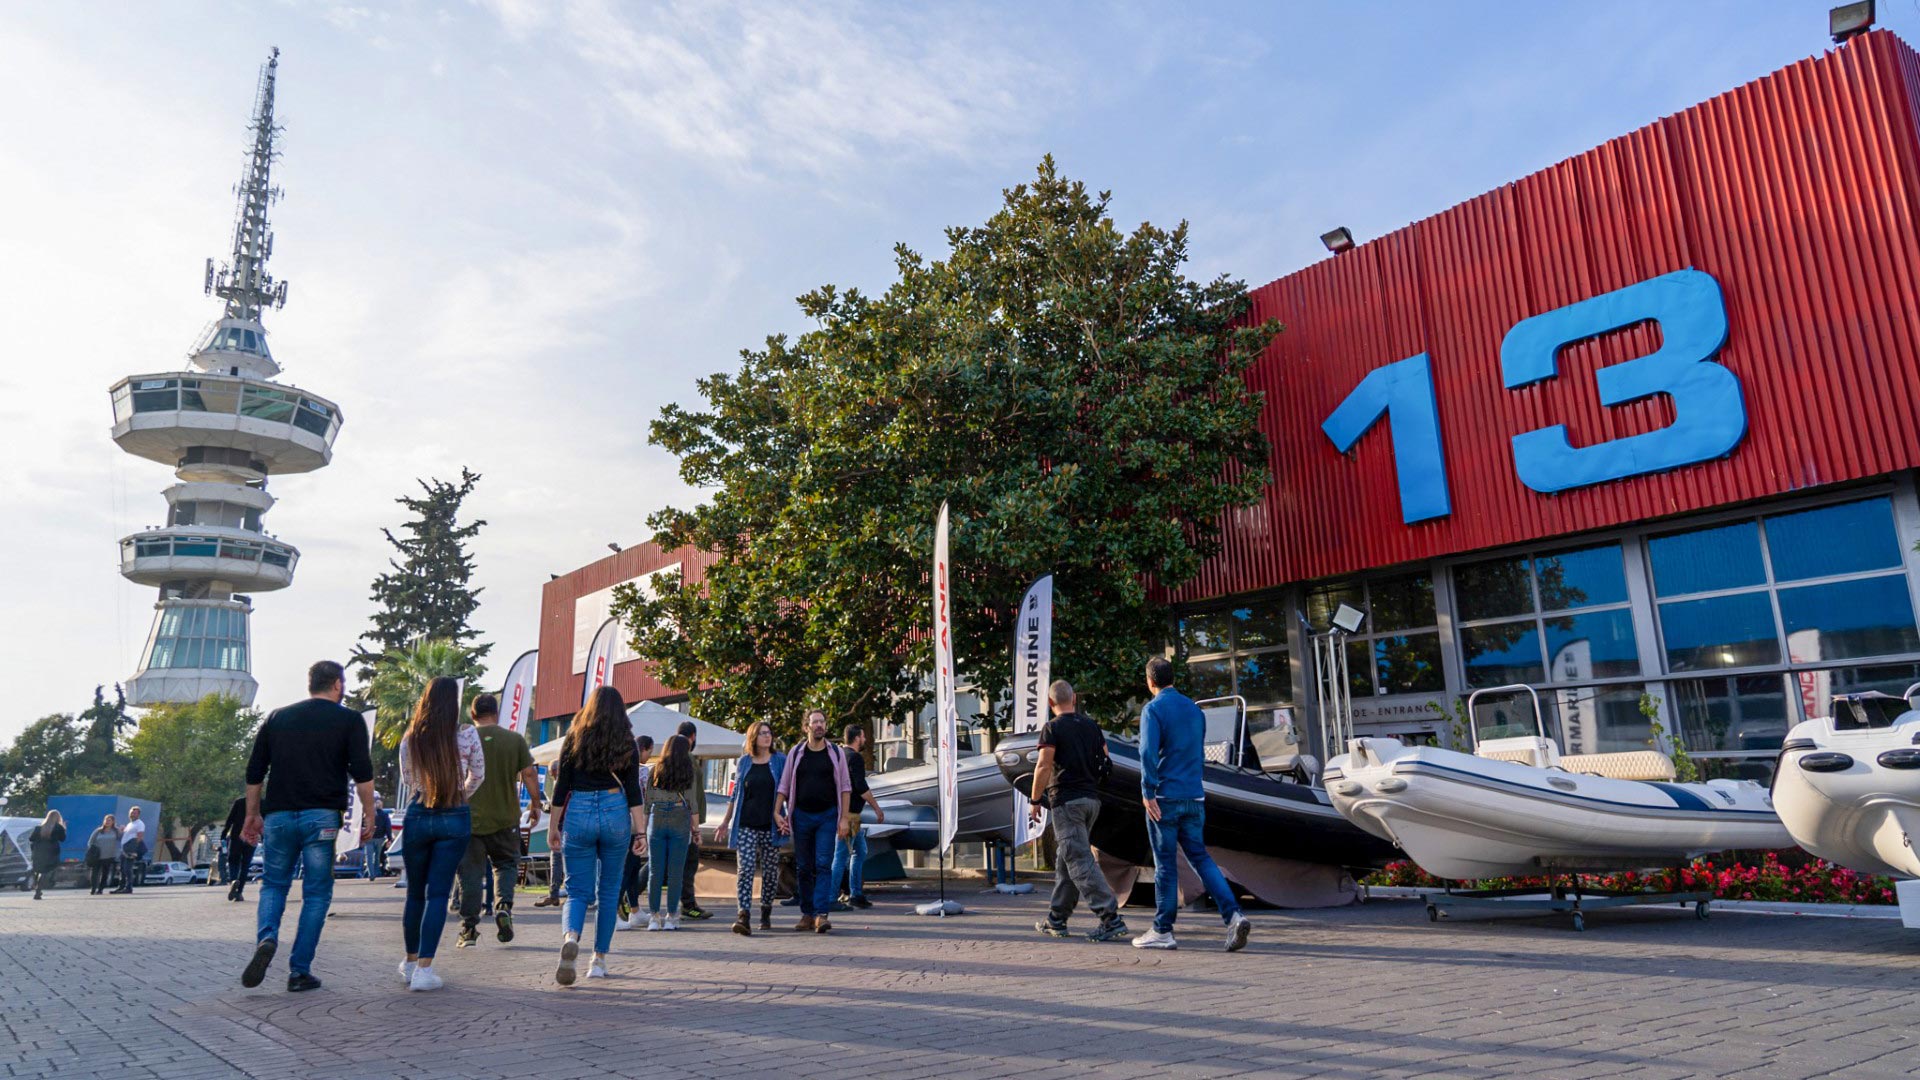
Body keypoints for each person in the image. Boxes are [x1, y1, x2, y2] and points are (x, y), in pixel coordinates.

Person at [239, 659, 377, 993]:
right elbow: (363, 774)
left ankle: (267, 937)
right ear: (338, 685)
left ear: (310, 684)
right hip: (322, 818)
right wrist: (369, 814)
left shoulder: (277, 717)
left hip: (280, 816)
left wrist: (252, 814)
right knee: (316, 894)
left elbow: (255, 772)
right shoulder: (349, 720)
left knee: (273, 884)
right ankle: (299, 971)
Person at [1132, 657, 1251, 953]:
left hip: (1165, 798)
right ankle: (1234, 915)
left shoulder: (1153, 709)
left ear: (1150, 682)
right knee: (1201, 857)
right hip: (1194, 796)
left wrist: (1148, 792)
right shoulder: (1196, 711)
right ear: (1173, 677)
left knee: (1166, 865)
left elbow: (1147, 752)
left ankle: (1163, 930)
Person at [549, 686, 644, 985]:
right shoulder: (627, 742)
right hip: (616, 810)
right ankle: (598, 961)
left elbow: (561, 787)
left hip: (578, 811)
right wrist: (640, 831)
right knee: (609, 892)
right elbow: (634, 791)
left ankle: (572, 936)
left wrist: (554, 826)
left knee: (577, 891)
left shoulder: (574, 737)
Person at [395, 677, 485, 991]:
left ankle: (409, 962)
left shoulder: (411, 738)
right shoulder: (467, 734)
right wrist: (460, 792)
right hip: (453, 813)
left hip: (419, 812)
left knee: (415, 893)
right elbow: (479, 774)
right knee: (438, 894)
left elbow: (408, 778)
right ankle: (425, 969)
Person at [1029, 680, 1129, 942]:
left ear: (1051, 704)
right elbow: (1106, 760)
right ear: (1073, 699)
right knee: (1067, 859)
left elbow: (1043, 765)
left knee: (1080, 861)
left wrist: (1035, 799)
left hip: (1067, 802)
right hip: (1091, 801)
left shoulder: (1052, 728)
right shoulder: (1091, 725)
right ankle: (1056, 919)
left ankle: (1110, 919)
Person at [454, 694, 542, 950]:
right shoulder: (514, 739)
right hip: (506, 817)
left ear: (473, 715)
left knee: (469, 874)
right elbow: (528, 773)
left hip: (470, 819)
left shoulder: (464, 739)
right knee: (505, 865)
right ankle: (503, 905)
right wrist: (536, 804)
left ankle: (469, 929)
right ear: (496, 712)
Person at [774, 709, 851, 933]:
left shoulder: (835, 753)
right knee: (804, 867)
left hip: (828, 815)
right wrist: (777, 811)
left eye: (822, 722)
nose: (819, 725)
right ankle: (806, 914)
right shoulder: (796, 752)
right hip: (801, 816)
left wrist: (844, 818)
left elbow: (846, 787)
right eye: (815, 722)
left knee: (823, 864)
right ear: (806, 727)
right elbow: (784, 785)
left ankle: (821, 915)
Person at [715, 720, 784, 934]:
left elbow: (786, 789)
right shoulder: (744, 762)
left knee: (770, 872)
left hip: (770, 825)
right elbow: (735, 795)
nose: (767, 736)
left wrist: (785, 814)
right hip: (746, 823)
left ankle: (766, 910)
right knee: (745, 869)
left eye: (769, 733)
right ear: (753, 737)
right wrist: (725, 822)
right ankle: (743, 915)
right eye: (762, 733)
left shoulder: (780, 760)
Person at [644, 734, 699, 930]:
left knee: (655, 872)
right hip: (679, 817)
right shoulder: (688, 770)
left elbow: (648, 801)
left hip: (656, 817)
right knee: (676, 873)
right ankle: (671, 917)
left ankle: (653, 917)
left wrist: (643, 830)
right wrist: (696, 828)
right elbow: (692, 802)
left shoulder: (655, 769)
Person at [831, 723, 884, 910]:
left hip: (844, 813)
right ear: (857, 738)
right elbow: (860, 786)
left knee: (859, 852)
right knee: (841, 855)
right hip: (851, 814)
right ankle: (832, 896)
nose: (865, 740)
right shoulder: (855, 758)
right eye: (863, 736)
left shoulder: (839, 755)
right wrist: (877, 808)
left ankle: (856, 893)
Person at [674, 719, 712, 921]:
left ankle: (629, 896)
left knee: (662, 865)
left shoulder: (672, 756)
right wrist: (695, 826)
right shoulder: (687, 757)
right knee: (688, 863)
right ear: (693, 737)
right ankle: (688, 905)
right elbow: (691, 793)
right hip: (687, 820)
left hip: (677, 819)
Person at [616, 734, 655, 929]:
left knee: (632, 868)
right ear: (645, 749)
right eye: (650, 752)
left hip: (628, 823)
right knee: (627, 868)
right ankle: (614, 910)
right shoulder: (642, 773)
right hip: (632, 824)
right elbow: (644, 799)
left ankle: (635, 910)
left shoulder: (624, 770)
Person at [221, 796, 254, 902]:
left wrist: (224, 833)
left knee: (233, 860)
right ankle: (239, 892)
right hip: (252, 837)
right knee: (245, 865)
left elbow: (230, 819)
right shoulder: (260, 803)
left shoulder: (239, 802)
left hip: (236, 836)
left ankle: (234, 880)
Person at [28, 809, 65, 900]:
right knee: (47, 871)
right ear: (58, 818)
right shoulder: (58, 827)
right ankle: (38, 890)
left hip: (39, 852)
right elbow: (62, 839)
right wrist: (64, 828)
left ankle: (37, 886)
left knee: (39, 871)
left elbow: (31, 839)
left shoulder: (39, 828)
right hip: (51, 853)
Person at [112, 805, 147, 894]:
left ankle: (128, 887)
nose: (132, 814)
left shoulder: (140, 823)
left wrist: (134, 850)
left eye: (135, 813)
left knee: (127, 869)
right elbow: (125, 837)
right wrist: (121, 830)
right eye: (131, 812)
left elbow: (139, 837)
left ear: (138, 814)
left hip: (131, 849)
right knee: (122, 869)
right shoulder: (129, 824)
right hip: (124, 849)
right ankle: (121, 887)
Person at [86, 815, 119, 895]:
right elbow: (90, 842)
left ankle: (100, 889)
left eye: (109, 820)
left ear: (113, 822)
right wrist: (93, 851)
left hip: (109, 856)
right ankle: (93, 888)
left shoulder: (116, 832)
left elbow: (122, 839)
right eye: (106, 820)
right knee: (95, 873)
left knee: (105, 873)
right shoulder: (98, 831)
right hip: (97, 856)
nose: (107, 822)